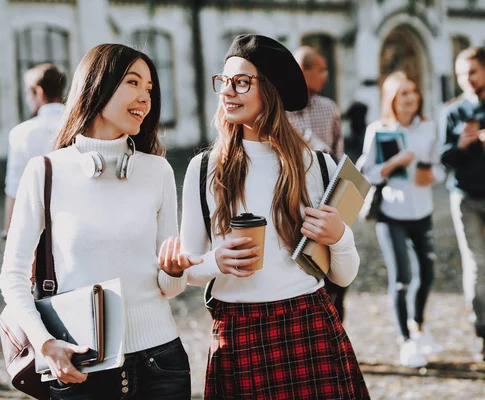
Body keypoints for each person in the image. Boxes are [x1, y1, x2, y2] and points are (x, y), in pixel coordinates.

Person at [163, 34, 369, 399]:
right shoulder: (204, 169)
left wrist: (339, 236)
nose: (228, 92)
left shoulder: (317, 165)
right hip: (237, 330)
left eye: (241, 82)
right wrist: (216, 261)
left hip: (309, 322)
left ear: (270, 91)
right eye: (224, 82)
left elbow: (344, 274)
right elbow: (191, 268)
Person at [0, 44, 194, 399]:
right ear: (97, 86)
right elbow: (12, 278)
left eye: (150, 88)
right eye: (133, 83)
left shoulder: (158, 171)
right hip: (80, 366)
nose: (144, 97)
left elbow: (170, 288)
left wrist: (176, 270)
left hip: (162, 363)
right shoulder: (45, 172)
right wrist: (45, 344)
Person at [360, 71, 445, 368]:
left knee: (428, 273)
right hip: (391, 213)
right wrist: (393, 164)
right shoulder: (378, 130)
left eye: (413, 91)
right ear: (391, 100)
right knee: (401, 279)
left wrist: (430, 174)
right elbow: (365, 173)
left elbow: (440, 168)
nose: (410, 98)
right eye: (403, 93)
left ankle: (418, 327)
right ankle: (405, 342)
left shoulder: (430, 128)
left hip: (422, 210)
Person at [440, 46, 485, 362]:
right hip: (466, 199)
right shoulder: (452, 111)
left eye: (472, 72)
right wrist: (461, 145)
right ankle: (483, 333)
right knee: (477, 267)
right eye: (461, 74)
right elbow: (442, 157)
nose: (467, 79)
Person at [286, 45, 349, 321]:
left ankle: (335, 327)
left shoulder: (330, 108)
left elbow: (339, 154)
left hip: (328, 203)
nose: (326, 75)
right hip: (292, 204)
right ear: (302, 71)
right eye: (321, 69)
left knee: (337, 272)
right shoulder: (279, 112)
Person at [4, 63, 66, 235]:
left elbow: (14, 187)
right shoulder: (81, 127)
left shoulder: (21, 133)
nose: (27, 98)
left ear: (38, 92)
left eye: (27, 92)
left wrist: (9, 232)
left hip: (36, 223)